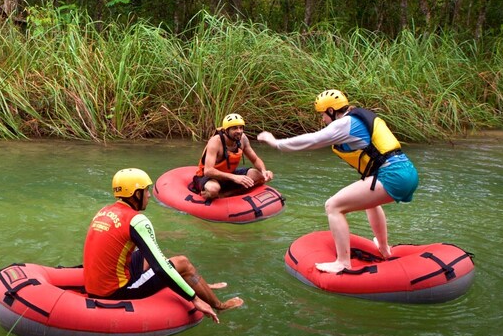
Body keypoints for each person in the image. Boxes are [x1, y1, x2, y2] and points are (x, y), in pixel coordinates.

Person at [257, 89, 419, 274]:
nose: (323, 120)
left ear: (332, 111)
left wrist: (276, 143)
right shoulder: (357, 118)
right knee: (370, 203)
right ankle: (384, 248)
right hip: (407, 172)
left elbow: (312, 140)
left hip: (392, 175)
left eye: (323, 115)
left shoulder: (344, 124)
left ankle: (343, 262)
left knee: (333, 206)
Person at [83, 168, 244, 322]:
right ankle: (219, 306)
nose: (149, 195)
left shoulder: (104, 210)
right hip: (117, 292)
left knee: (147, 254)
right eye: (146, 191)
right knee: (182, 263)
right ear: (136, 194)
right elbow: (160, 267)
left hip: (98, 285)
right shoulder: (136, 220)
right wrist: (193, 299)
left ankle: (200, 284)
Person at [190, 113, 274, 199]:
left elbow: (255, 159)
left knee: (260, 176)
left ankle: (225, 194)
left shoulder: (243, 139)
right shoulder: (215, 141)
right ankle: (213, 193)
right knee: (213, 189)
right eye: (234, 128)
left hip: (229, 175)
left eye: (241, 128)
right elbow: (208, 171)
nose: (239, 131)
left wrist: (264, 171)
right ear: (226, 130)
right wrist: (234, 177)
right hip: (208, 177)